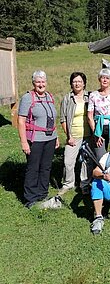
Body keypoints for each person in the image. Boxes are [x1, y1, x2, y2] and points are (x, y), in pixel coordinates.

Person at [18, 70, 59, 208]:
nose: (41, 84)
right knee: (33, 168)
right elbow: (21, 121)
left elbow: (52, 118)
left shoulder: (49, 96)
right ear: (33, 83)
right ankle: (30, 198)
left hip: (50, 138)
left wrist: (56, 136)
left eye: (43, 81)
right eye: (38, 82)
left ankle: (42, 193)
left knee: (46, 167)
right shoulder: (28, 98)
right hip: (35, 139)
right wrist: (24, 142)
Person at [59, 72, 92, 195]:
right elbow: (63, 119)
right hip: (73, 135)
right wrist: (69, 136)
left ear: (84, 83)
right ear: (71, 84)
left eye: (79, 81)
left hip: (89, 135)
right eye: (74, 81)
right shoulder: (67, 98)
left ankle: (85, 184)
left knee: (87, 161)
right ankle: (68, 183)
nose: (77, 84)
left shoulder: (90, 96)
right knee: (68, 161)